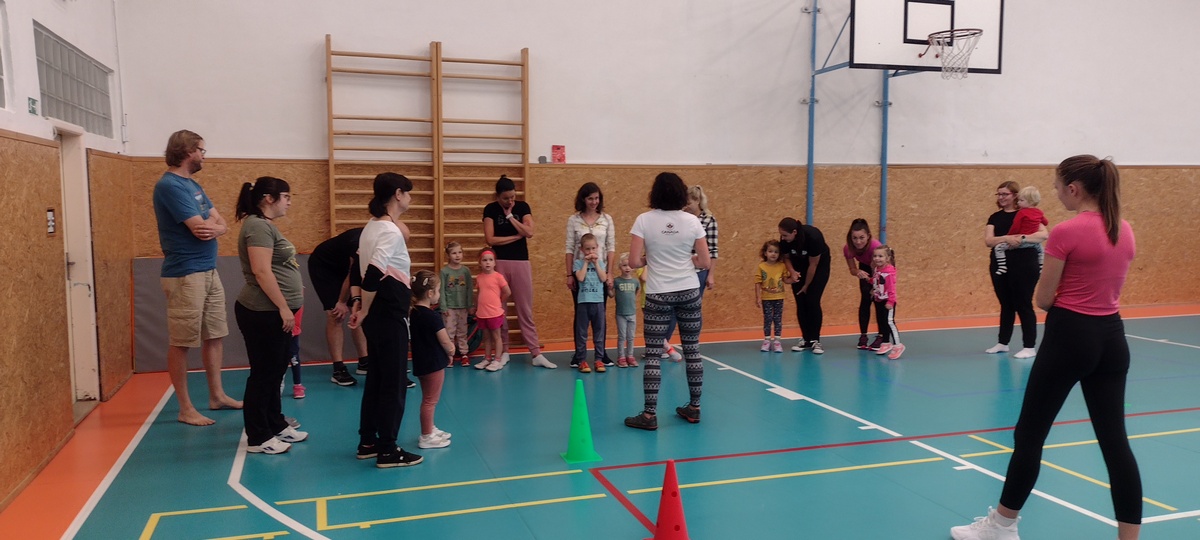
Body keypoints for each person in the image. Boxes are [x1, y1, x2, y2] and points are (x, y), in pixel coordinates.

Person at [951, 155, 1141, 540]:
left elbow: (1043, 299)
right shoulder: (1124, 229)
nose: (1056, 194)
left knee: (1030, 434)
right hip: (1112, 339)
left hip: (1070, 338)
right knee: (1115, 443)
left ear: (1073, 189)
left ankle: (1002, 525)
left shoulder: (1066, 232)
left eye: (1057, 187)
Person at [152, 129, 241, 426]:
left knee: (214, 334)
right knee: (182, 341)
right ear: (188, 150)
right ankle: (185, 408)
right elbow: (200, 229)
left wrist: (218, 226)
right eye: (202, 150)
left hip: (208, 270)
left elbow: (220, 222)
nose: (204, 156)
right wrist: (214, 226)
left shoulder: (193, 185)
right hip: (185, 273)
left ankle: (217, 396)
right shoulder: (170, 186)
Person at [624, 172, 710, 431]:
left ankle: (649, 415)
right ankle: (694, 408)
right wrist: (687, 259)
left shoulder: (644, 220)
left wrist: (651, 258)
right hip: (689, 291)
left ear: (655, 193)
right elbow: (705, 262)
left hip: (659, 294)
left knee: (653, 353)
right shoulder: (692, 221)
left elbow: (633, 262)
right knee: (692, 350)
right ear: (681, 193)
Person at [347, 172, 423, 469]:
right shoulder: (390, 232)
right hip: (389, 315)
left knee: (377, 379)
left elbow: (355, 269)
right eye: (408, 192)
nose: (410, 198)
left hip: (376, 316)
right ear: (398, 194)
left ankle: (368, 442)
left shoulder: (371, 227)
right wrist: (364, 308)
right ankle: (388, 450)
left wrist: (357, 302)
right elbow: (373, 273)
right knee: (393, 383)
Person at [233, 176, 307, 455]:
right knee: (263, 375)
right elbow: (261, 271)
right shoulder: (257, 226)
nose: (289, 202)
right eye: (286, 197)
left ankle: (275, 424)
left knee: (275, 372)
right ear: (268, 198)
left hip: (273, 312)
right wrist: (284, 307)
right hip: (262, 313)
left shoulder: (264, 225)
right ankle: (258, 436)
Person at [482, 175, 556, 369]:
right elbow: (491, 239)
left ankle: (535, 353)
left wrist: (510, 218)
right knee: (500, 310)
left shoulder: (522, 207)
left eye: (512, 197)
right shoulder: (490, 209)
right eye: (506, 198)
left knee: (525, 309)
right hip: (500, 263)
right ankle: (504, 351)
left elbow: (529, 232)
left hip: (521, 262)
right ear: (498, 197)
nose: (510, 201)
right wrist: (517, 236)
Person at [984, 181, 1049, 360]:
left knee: (1023, 303)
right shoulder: (995, 217)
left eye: (1005, 194)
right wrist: (1007, 238)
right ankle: (1003, 342)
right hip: (1001, 264)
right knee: (1006, 304)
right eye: (999, 194)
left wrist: (1021, 238)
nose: (1001, 197)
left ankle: (1029, 346)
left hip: (1025, 263)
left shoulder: (1028, 213)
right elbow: (989, 241)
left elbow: (1043, 234)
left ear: (1015, 196)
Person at [661, 185, 718, 360]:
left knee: (693, 310)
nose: (686, 205)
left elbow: (713, 250)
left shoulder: (709, 220)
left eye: (689, 202)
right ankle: (664, 344)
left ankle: (692, 344)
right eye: (684, 202)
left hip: (699, 271)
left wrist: (710, 274)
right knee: (671, 308)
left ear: (698, 201)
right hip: (679, 270)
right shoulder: (682, 219)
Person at [564, 182, 617, 367]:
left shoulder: (607, 219)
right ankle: (579, 355)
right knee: (581, 314)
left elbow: (610, 247)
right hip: (581, 272)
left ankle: (601, 355)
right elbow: (569, 248)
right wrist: (569, 275)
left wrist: (610, 273)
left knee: (600, 314)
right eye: (590, 198)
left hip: (600, 272)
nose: (594, 202)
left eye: (597, 198)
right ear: (583, 199)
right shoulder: (574, 220)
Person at [307, 227, 367, 385]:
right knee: (336, 315)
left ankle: (364, 361)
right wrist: (341, 301)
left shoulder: (383, 243)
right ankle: (338, 369)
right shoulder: (359, 242)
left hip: (344, 267)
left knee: (358, 311)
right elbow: (352, 275)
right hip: (324, 267)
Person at [409, 270, 453, 450]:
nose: (439, 294)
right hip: (433, 364)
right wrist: (452, 349)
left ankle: (430, 428)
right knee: (430, 400)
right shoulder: (432, 316)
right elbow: (444, 340)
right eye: (438, 290)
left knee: (428, 399)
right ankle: (426, 435)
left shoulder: (414, 313)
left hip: (422, 363)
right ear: (430, 293)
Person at [778, 217, 831, 354]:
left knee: (812, 300)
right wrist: (792, 272)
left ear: (794, 232)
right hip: (799, 265)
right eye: (781, 235)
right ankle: (806, 339)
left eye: (785, 235)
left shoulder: (813, 237)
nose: (782, 238)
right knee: (800, 301)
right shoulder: (785, 240)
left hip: (818, 267)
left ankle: (815, 340)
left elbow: (813, 265)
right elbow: (786, 258)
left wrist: (806, 285)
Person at [843, 219, 884, 350]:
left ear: (868, 236)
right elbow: (852, 269)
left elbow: (880, 269)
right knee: (865, 300)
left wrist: (875, 286)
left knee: (878, 302)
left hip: (881, 269)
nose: (858, 242)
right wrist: (858, 272)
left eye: (862, 238)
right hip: (865, 267)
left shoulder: (875, 247)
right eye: (854, 238)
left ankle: (882, 336)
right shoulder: (848, 248)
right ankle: (863, 336)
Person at [571, 234, 609, 373]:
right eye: (587, 249)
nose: (590, 251)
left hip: (598, 302)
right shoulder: (578, 264)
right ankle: (582, 360)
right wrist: (586, 263)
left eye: (593, 248)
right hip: (584, 302)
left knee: (599, 332)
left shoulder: (601, 263)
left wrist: (596, 263)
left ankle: (599, 359)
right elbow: (580, 278)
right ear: (582, 250)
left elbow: (603, 278)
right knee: (582, 333)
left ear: (597, 248)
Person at [994, 186, 1048, 276]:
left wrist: (1010, 236)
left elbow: (1016, 226)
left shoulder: (1021, 213)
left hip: (1021, 242)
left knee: (999, 248)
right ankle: (1041, 267)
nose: (1018, 202)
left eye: (1021, 200)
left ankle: (1002, 266)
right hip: (1034, 242)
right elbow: (1046, 222)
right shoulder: (1039, 212)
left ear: (1030, 201)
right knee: (1041, 251)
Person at [473, 248, 511, 372]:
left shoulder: (498, 277)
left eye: (490, 260)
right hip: (482, 313)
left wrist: (499, 301)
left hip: (494, 313)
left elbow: (507, 292)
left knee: (496, 336)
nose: (487, 262)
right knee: (486, 337)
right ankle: (487, 358)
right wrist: (476, 307)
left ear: (494, 262)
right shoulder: (479, 277)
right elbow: (479, 293)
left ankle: (497, 360)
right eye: (484, 260)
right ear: (480, 263)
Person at [439, 241, 474, 367]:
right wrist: (443, 306)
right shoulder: (444, 271)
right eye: (454, 253)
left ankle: (464, 354)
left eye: (460, 252)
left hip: (463, 307)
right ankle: (450, 355)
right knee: (449, 332)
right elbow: (441, 290)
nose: (457, 255)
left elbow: (469, 289)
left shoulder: (466, 271)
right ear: (448, 255)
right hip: (449, 307)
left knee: (462, 332)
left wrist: (470, 305)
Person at [869, 245, 904, 360]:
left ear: (887, 258)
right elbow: (877, 281)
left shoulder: (889, 272)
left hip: (887, 301)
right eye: (875, 256)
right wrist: (871, 283)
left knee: (889, 322)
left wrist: (891, 301)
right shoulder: (877, 269)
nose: (877, 258)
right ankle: (885, 342)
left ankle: (898, 345)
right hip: (879, 299)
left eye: (880, 256)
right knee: (881, 322)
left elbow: (891, 288)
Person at [755, 240, 788, 353]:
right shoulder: (762, 266)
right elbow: (758, 282)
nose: (773, 254)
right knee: (768, 318)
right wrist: (758, 297)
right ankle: (767, 340)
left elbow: (785, 279)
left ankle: (777, 341)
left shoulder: (782, 266)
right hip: (766, 298)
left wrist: (793, 278)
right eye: (770, 251)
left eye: (776, 252)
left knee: (778, 319)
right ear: (765, 253)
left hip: (779, 297)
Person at [613, 253, 641, 368]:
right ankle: (621, 357)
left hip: (632, 313)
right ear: (620, 267)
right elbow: (611, 295)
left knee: (631, 337)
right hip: (621, 314)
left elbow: (636, 292)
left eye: (629, 265)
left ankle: (630, 356)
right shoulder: (616, 281)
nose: (627, 268)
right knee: (622, 336)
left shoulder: (635, 282)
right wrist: (609, 287)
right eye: (624, 265)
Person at [287, 306, 305, 399]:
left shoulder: (297, 303)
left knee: (294, 359)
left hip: (292, 333)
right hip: (277, 333)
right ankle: (276, 386)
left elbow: (297, 317)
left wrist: (294, 329)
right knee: (278, 360)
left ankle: (298, 385)